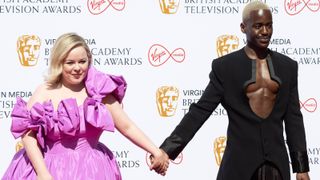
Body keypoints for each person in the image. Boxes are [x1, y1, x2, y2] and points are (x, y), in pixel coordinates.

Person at [151, 1, 310, 180]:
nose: (265, 32)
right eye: (258, 26)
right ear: (243, 27)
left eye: (269, 26)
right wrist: (167, 149)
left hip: (276, 167)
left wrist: (301, 167)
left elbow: (293, 119)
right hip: (238, 166)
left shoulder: (287, 66)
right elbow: (199, 112)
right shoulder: (225, 67)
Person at [2, 32, 168, 180]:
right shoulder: (44, 91)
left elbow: (127, 126)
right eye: (70, 62)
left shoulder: (99, 91)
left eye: (82, 61)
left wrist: (155, 150)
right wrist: (42, 173)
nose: (77, 68)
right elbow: (28, 135)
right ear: (59, 63)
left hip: (92, 169)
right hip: (49, 168)